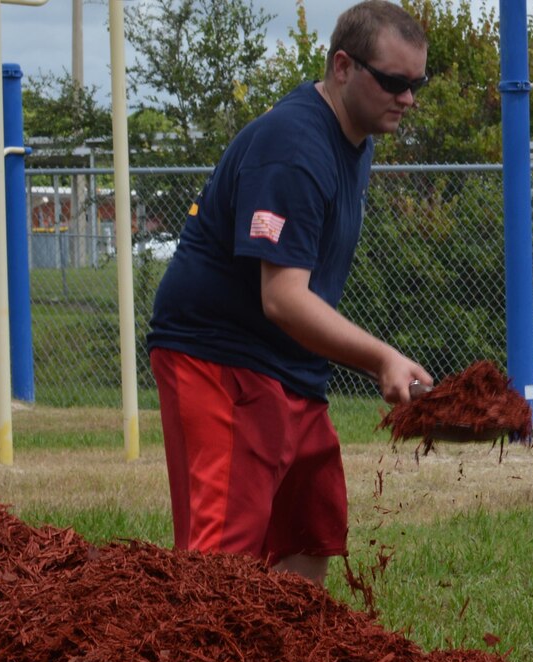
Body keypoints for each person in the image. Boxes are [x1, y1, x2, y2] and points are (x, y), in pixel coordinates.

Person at [147, 0, 433, 584]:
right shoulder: (294, 147)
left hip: (289, 363)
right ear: (343, 67)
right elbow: (282, 297)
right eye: (394, 82)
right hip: (218, 356)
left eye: (416, 84)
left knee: (311, 533)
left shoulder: (357, 137)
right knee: (220, 562)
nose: (407, 98)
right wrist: (382, 357)